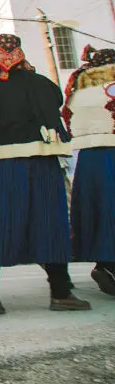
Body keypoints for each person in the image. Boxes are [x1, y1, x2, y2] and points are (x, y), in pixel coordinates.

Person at [0, 34, 90, 314]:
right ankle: (60, 291)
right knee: (47, 222)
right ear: (20, 51)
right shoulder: (40, 84)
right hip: (38, 162)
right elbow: (56, 100)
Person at [63, 45, 115, 297]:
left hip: (87, 155)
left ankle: (105, 263)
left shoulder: (78, 90)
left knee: (97, 208)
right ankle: (107, 265)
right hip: (113, 151)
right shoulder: (111, 88)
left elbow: (66, 117)